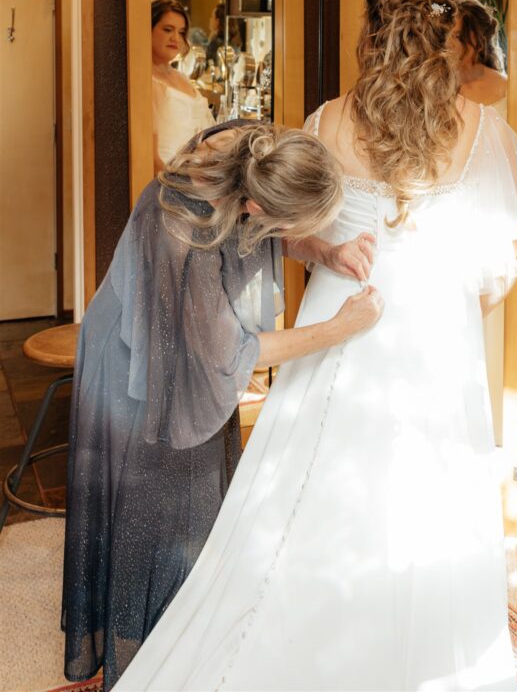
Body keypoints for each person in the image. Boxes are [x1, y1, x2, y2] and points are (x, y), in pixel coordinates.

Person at [115, 0, 517, 692]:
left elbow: (288, 231)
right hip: (436, 327)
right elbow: (503, 266)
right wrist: (445, 310)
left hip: (339, 304)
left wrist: (335, 254)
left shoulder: (328, 120)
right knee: (424, 493)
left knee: (307, 482)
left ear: (369, 37)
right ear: (442, 40)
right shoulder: (482, 129)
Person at [62, 120, 383, 691]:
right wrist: (338, 328)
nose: (294, 236)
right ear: (257, 207)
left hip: (178, 332)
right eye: (293, 226)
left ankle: (189, 628)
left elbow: (269, 229)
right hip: (133, 359)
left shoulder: (258, 150)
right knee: (157, 514)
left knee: (196, 497)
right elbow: (230, 355)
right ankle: (150, 656)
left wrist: (327, 252)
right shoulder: (186, 228)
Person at [452, 0, 509, 445]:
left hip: (486, 192)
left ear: (474, 41)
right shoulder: (442, 85)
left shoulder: (494, 87)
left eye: (454, 35)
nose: (446, 43)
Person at [151, 0, 215, 170]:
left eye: (181, 32)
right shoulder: (146, 81)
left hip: (199, 175)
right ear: (148, 30)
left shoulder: (181, 77)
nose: (175, 38)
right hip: (169, 177)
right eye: (167, 29)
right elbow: (151, 156)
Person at [453, 0, 507, 113]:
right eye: (446, 35)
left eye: (457, 36)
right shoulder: (437, 87)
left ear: (480, 41)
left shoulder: (505, 87)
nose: (448, 44)